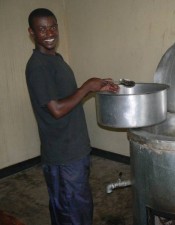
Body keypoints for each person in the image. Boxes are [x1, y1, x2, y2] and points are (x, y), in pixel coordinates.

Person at [25, 8, 119, 225]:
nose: (49, 33)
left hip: (74, 149)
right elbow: (56, 109)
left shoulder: (55, 58)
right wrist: (87, 87)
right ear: (31, 32)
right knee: (71, 213)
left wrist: (96, 86)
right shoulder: (37, 66)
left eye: (53, 27)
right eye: (42, 29)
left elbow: (66, 97)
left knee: (79, 207)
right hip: (62, 154)